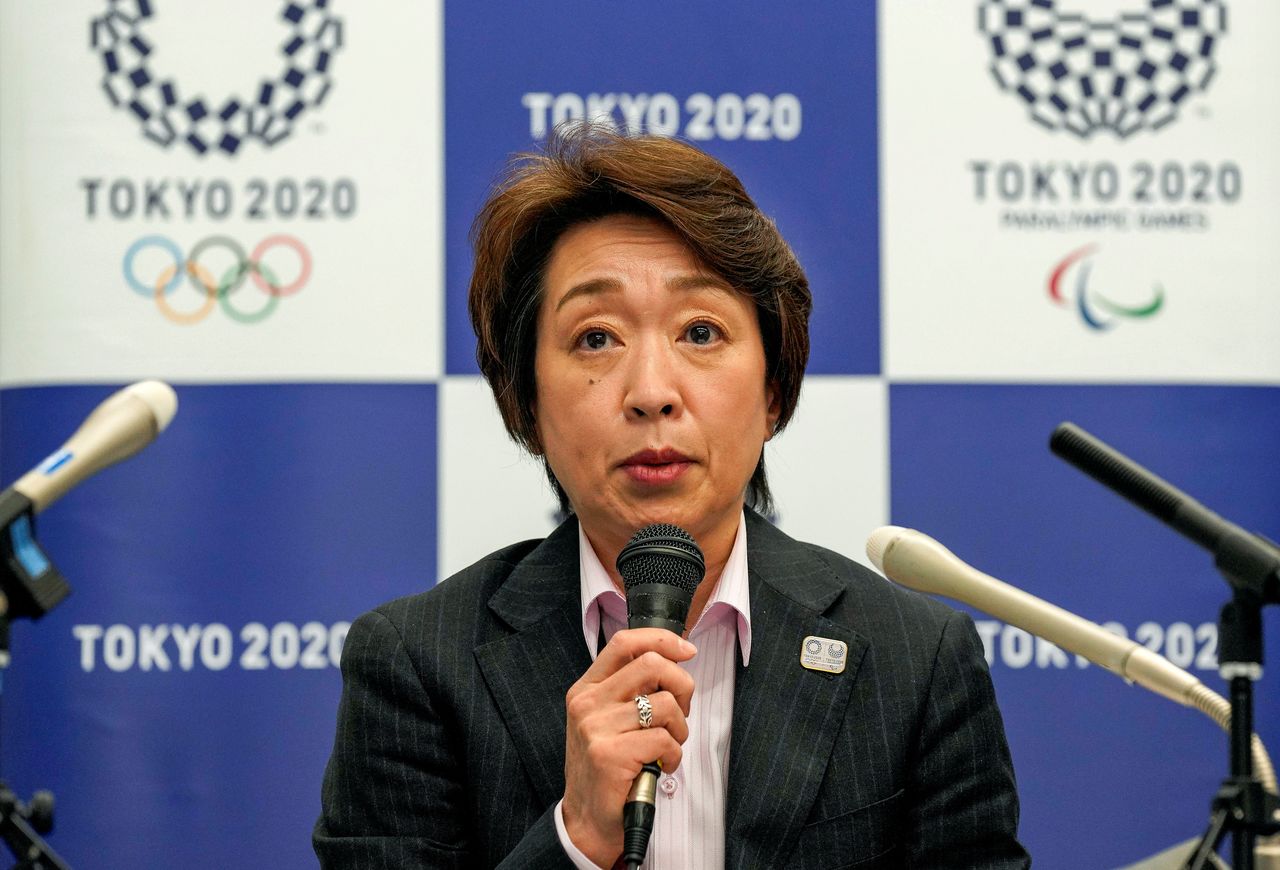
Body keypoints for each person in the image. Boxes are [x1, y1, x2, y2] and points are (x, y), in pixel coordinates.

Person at [314, 126, 1030, 868]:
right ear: (526, 401)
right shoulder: (415, 666)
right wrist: (575, 838)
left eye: (700, 330)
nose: (652, 393)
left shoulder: (915, 662)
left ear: (774, 389)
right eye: (596, 338)